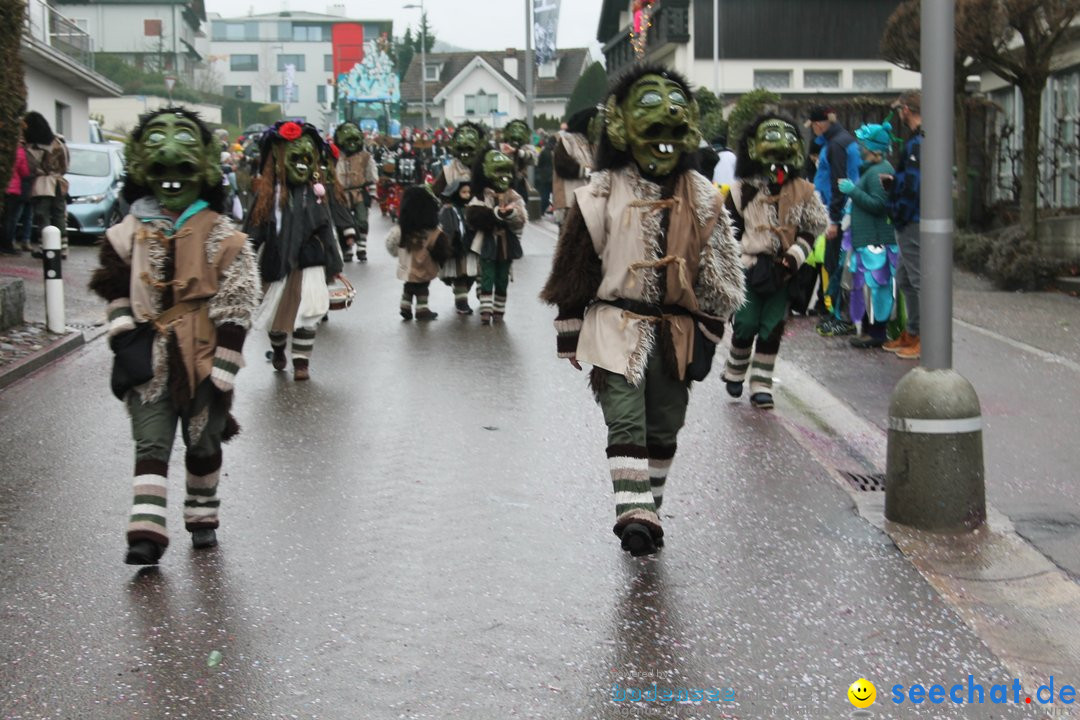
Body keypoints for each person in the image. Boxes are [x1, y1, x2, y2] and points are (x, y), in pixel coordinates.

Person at [540, 65, 744, 556]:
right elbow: (577, 262)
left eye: (676, 104)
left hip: (675, 330)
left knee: (665, 425)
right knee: (626, 420)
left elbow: (719, 276)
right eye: (650, 104)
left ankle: (648, 503)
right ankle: (633, 513)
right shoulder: (601, 192)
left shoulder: (702, 197)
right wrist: (569, 329)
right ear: (620, 127)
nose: (667, 114)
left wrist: (710, 337)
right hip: (616, 324)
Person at [88, 107, 261, 565]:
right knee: (151, 442)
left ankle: (203, 514)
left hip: (202, 353)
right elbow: (114, 287)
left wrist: (226, 362)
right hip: (150, 353)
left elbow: (239, 297)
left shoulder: (223, 234)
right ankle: (146, 533)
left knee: (203, 442)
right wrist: (123, 337)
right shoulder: (127, 233)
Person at [719, 114, 828, 409]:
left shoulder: (803, 191)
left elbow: (813, 228)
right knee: (745, 323)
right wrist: (730, 267)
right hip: (750, 268)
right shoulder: (743, 190)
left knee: (771, 328)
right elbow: (728, 230)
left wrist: (794, 257)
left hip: (784, 272)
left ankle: (761, 384)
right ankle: (735, 370)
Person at [246, 121, 343, 382]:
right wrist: (243, 259)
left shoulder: (315, 194)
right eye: (294, 156)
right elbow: (253, 230)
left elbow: (326, 229)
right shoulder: (267, 195)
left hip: (309, 261)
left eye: (305, 157)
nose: (301, 163)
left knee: (309, 313)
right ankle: (278, 348)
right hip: (275, 260)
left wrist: (333, 267)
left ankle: (301, 363)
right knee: (275, 315)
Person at [837, 123, 898, 349]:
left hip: (876, 242)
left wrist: (852, 190)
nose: (860, 149)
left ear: (873, 148)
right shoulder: (873, 170)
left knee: (876, 286)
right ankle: (868, 330)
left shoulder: (880, 171)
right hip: (868, 241)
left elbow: (880, 205)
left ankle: (876, 332)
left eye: (863, 145)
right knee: (865, 286)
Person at [806, 106, 860, 335]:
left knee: (834, 264)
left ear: (820, 123)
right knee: (835, 264)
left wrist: (834, 220)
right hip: (842, 209)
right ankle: (835, 311)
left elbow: (839, 182)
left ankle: (836, 314)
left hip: (840, 212)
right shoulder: (841, 139)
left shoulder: (836, 144)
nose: (814, 131)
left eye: (814, 126)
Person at [465, 148, 526, 325]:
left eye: (506, 171)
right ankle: (486, 309)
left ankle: (499, 309)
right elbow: (472, 216)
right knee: (487, 275)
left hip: (506, 244)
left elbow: (521, 218)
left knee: (502, 277)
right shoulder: (481, 195)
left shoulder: (513, 196)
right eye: (499, 171)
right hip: (487, 242)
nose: (504, 176)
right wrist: (495, 214)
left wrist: (512, 214)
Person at [884, 90, 923, 360]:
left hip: (913, 220)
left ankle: (926, 337)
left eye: (900, 110)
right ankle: (913, 331)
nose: (899, 114)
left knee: (918, 279)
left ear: (906, 110)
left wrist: (898, 211)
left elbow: (914, 186)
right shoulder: (918, 142)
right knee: (905, 278)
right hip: (911, 217)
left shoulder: (918, 144)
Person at [386, 185, 450, 321]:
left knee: (409, 286)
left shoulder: (403, 229)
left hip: (407, 266)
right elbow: (441, 246)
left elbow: (391, 244)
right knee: (422, 287)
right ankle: (422, 309)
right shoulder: (431, 230)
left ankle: (405, 306)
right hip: (424, 265)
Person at [24, 111, 70, 259]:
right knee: (59, 215)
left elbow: (31, 166)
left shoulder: (33, 146)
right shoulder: (58, 142)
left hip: (43, 183)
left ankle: (47, 247)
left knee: (42, 215)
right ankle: (62, 248)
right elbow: (65, 164)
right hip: (59, 183)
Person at [332, 121, 377, 262]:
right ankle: (347, 248)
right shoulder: (336, 156)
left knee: (362, 220)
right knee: (344, 223)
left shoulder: (365, 157)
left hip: (359, 192)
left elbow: (371, 176)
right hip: (341, 193)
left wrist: (372, 193)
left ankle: (361, 248)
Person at [437, 179, 479, 314]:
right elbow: (447, 228)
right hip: (457, 248)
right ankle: (461, 303)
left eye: (468, 192)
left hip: (471, 247)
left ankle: (462, 296)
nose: (467, 194)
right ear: (456, 193)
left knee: (471, 274)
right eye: (463, 192)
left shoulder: (472, 208)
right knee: (460, 275)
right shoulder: (449, 209)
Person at [552, 107, 598, 227]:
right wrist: (589, 171)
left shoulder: (592, 144)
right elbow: (562, 166)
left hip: (591, 201)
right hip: (570, 201)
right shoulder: (567, 140)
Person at [2, 132, 31, 255]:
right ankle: (7, 245)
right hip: (13, 189)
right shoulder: (20, 151)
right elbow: (24, 172)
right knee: (10, 219)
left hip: (3, 187)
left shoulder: (4, 150)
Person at [535, 135, 555, 215]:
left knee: (545, 195)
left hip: (545, 177)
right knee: (554, 196)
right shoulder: (555, 150)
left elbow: (539, 164)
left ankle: (541, 211)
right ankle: (552, 210)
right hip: (554, 177)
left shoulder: (544, 151)